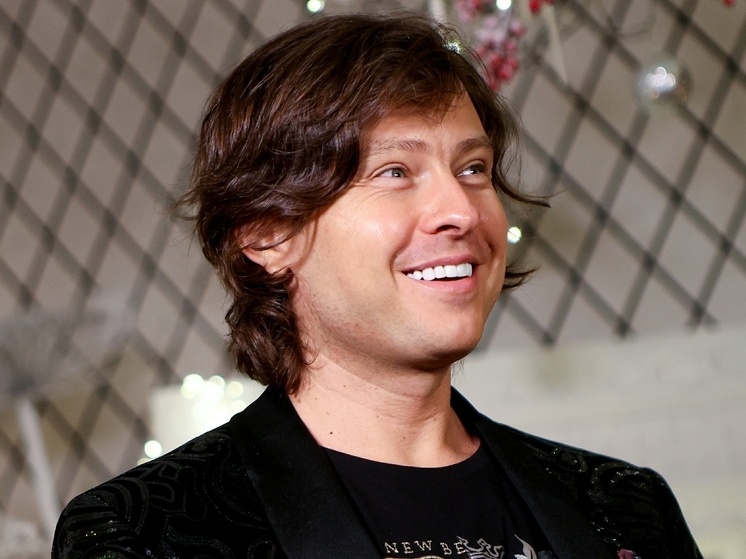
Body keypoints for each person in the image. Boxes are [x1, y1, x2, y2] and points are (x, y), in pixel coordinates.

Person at [53, 12, 703, 559]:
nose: (461, 210)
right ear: (267, 235)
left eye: (473, 168)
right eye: (395, 172)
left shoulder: (625, 507)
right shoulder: (146, 531)